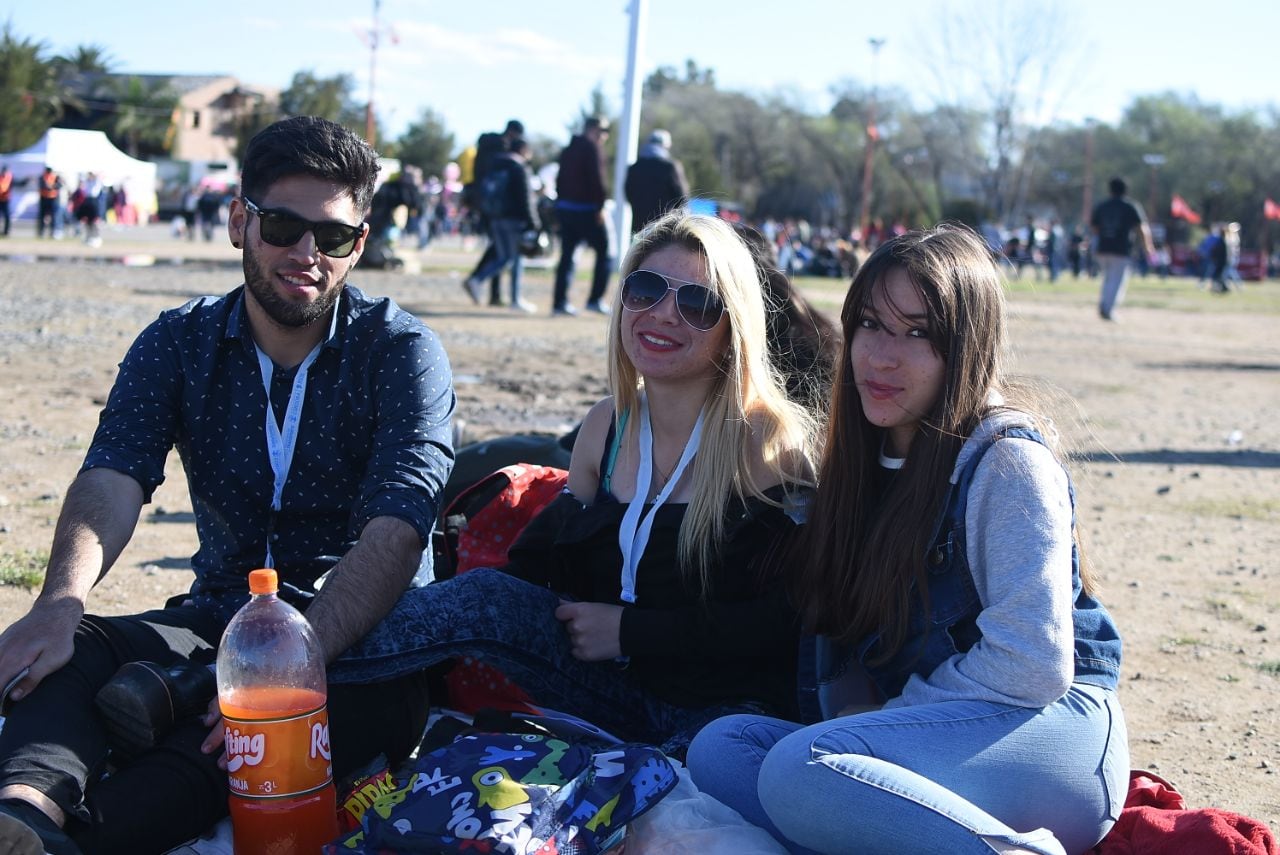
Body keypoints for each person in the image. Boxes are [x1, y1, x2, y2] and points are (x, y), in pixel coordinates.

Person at [0, 116, 455, 855]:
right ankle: (24, 811)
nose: (306, 253)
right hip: (220, 614)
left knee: (248, 736)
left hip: (360, 647)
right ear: (240, 221)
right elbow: (114, 474)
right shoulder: (179, 339)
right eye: (282, 227)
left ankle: (84, 838)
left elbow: (398, 527)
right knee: (69, 646)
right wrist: (57, 602)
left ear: (360, 244)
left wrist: (290, 661)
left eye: (332, 237)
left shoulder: (402, 351)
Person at [687, 225, 1127, 855]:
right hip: (934, 737)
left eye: (919, 334)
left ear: (967, 347)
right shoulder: (860, 461)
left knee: (799, 769)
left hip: (1051, 736)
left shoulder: (1005, 464)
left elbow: (1032, 665)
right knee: (723, 748)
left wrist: (880, 723)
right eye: (869, 324)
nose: (881, 356)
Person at [330, 210, 817, 758]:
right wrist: (464, 622)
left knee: (712, 755)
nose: (662, 314)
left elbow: (787, 621)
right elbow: (536, 567)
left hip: (727, 715)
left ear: (734, 327)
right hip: (614, 690)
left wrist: (631, 632)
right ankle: (277, 675)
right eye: (646, 289)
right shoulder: (607, 425)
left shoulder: (768, 441)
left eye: (697, 304)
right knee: (481, 597)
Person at [463, 137, 541, 312]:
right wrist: (534, 222)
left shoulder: (496, 165)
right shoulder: (519, 168)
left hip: (495, 217)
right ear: (522, 149)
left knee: (503, 256)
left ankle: (478, 279)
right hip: (514, 219)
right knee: (514, 257)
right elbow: (526, 198)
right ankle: (513, 297)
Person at [552, 116, 612, 316]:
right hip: (587, 210)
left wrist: (560, 204)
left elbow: (559, 179)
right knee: (605, 252)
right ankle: (595, 299)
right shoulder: (592, 148)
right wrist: (600, 206)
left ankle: (559, 302)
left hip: (566, 208)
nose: (605, 136)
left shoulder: (569, 148)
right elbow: (597, 179)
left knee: (567, 255)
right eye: (604, 131)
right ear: (594, 129)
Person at [465, 119, 525, 307]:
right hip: (501, 205)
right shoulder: (503, 150)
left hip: (484, 200)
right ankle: (486, 287)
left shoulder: (486, 147)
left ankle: (489, 290)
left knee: (496, 247)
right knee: (501, 250)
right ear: (514, 133)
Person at [1091, 177, 1154, 321]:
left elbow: (1094, 227)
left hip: (1103, 247)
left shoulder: (1102, 205)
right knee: (1117, 279)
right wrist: (1148, 247)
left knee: (1107, 278)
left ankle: (1104, 304)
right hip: (1121, 249)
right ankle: (1108, 309)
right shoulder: (1130, 206)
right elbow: (1142, 228)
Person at [624, 129, 690, 233]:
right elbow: (681, 197)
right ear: (665, 145)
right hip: (664, 227)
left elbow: (628, 193)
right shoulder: (670, 167)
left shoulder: (634, 168)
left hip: (639, 226)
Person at [36, 167, 62, 238]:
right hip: (44, 198)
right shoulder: (42, 176)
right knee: (42, 216)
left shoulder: (55, 176)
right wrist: (48, 187)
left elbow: (59, 185)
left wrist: (52, 186)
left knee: (53, 216)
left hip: (52, 198)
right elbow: (41, 185)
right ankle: (41, 232)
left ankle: (52, 232)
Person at [0, 164, 12, 237]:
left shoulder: (9, 178)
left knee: (7, 217)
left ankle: (6, 232)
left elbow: (17, 183)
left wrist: (25, 181)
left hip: (6, 200)